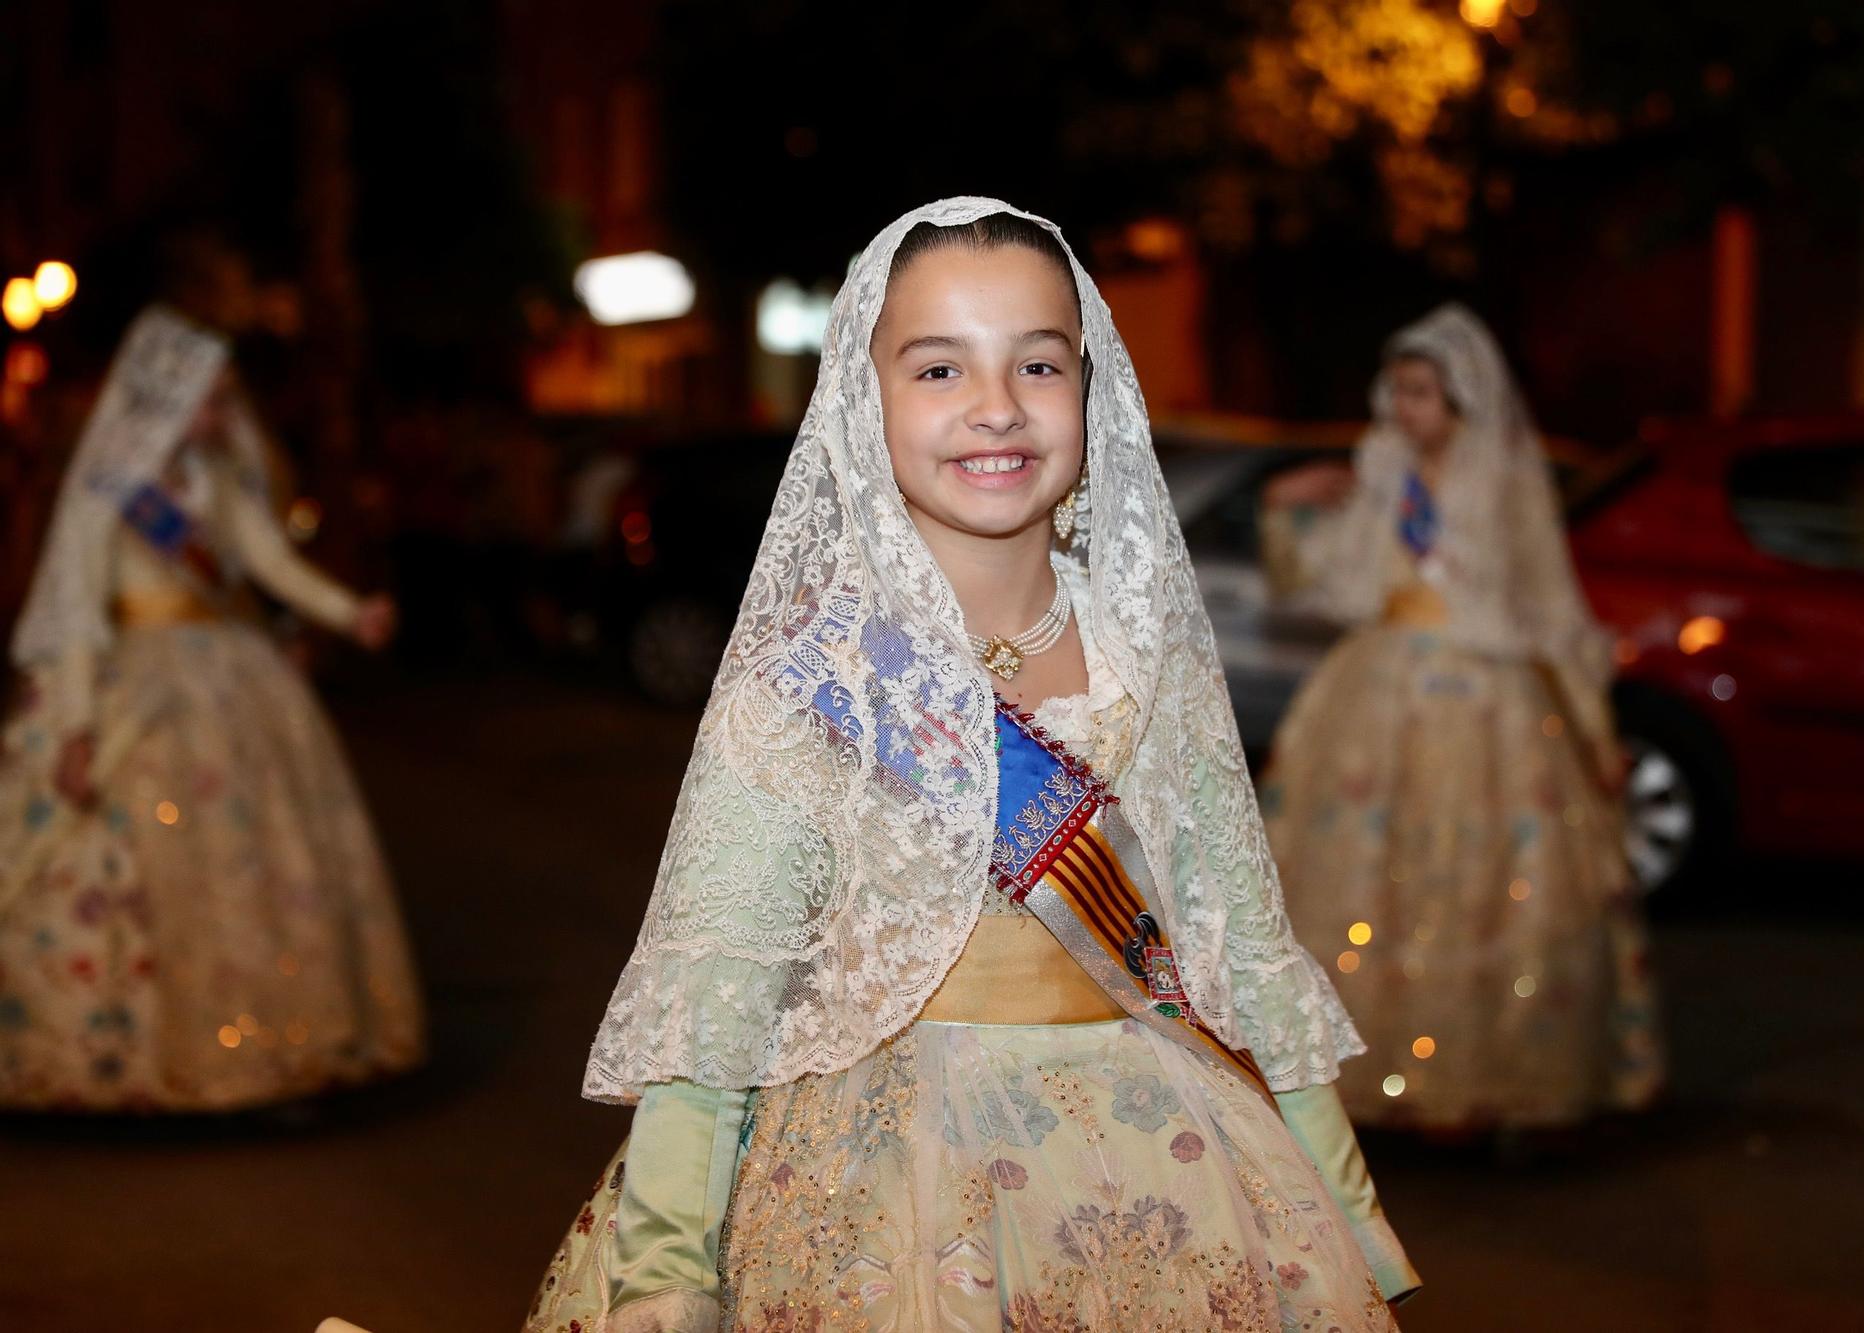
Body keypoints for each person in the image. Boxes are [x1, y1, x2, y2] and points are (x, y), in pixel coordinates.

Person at [523, 199, 1417, 1333]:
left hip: (1170, 1174)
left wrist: (1346, 1213)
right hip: (882, 1199)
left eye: (1037, 364)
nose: (996, 407)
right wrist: (665, 1268)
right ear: (865, 399)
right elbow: (714, 1004)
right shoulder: (813, 686)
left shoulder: (1149, 667)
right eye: (937, 369)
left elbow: (1242, 956)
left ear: (1088, 393)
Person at [0, 233, 425, 1111]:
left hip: (233, 672)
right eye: (209, 400)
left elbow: (268, 562)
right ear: (168, 397)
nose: (222, 415)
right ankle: (118, 1052)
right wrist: (75, 731)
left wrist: (349, 611)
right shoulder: (108, 490)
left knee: (249, 869)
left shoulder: (212, 478)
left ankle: (267, 1039)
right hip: (138, 682)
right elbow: (77, 612)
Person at [1259, 304, 1662, 1133]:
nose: (1406, 408)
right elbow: (1322, 574)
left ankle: (1495, 1070)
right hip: (1382, 684)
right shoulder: (1383, 474)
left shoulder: (1506, 480)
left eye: (1423, 392)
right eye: (1398, 390)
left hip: (1488, 697)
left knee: (1490, 879)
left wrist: (1589, 720)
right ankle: (1361, 1071)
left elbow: (1549, 603)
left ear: (1463, 399)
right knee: (1369, 868)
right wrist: (1284, 501)